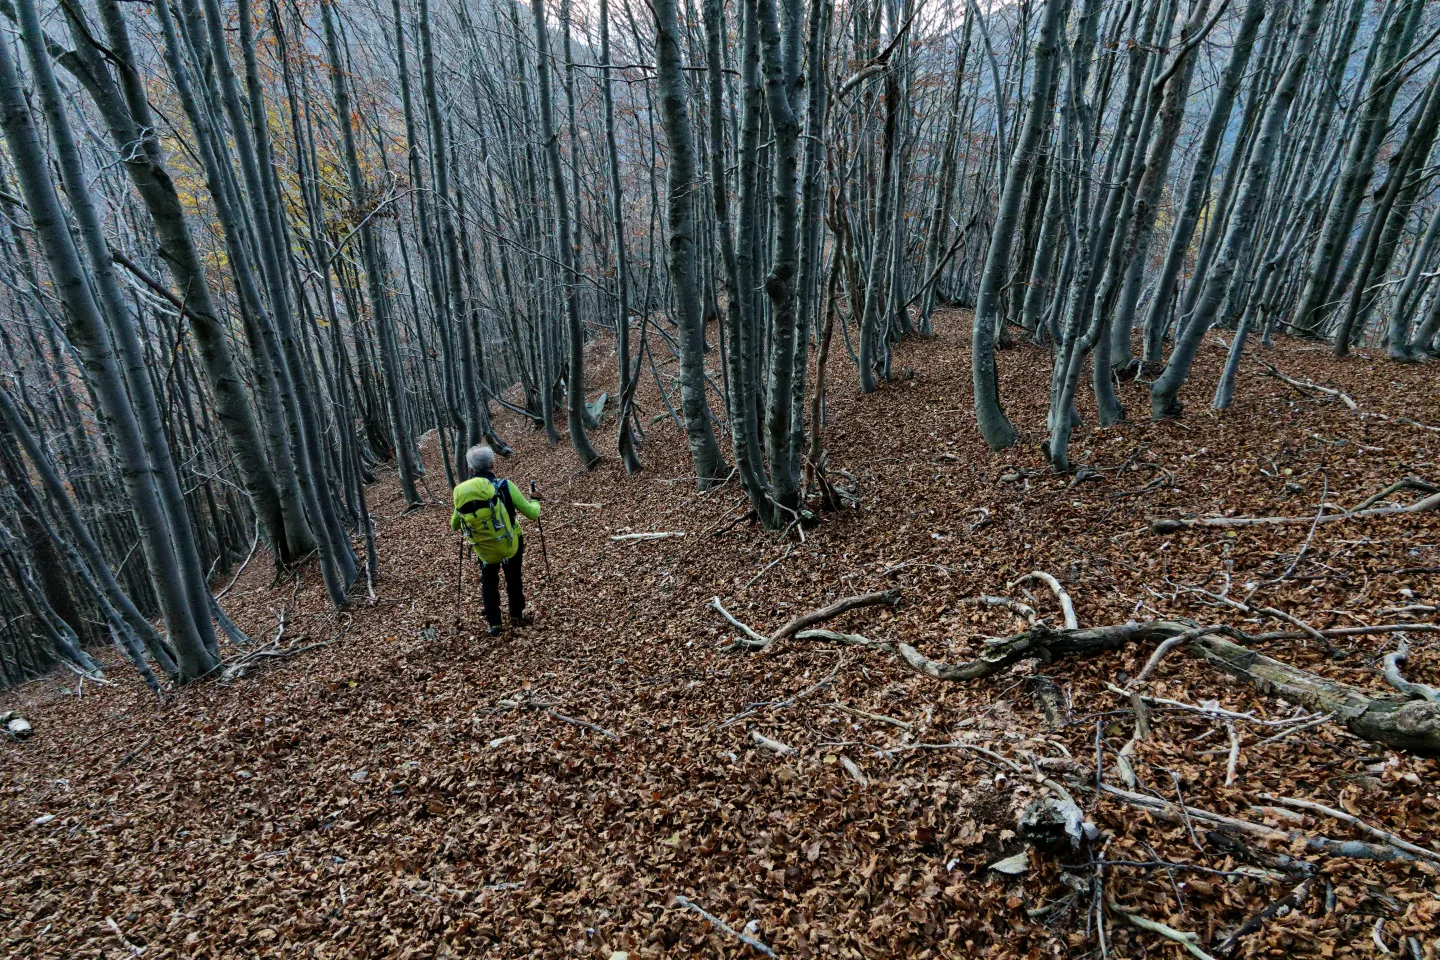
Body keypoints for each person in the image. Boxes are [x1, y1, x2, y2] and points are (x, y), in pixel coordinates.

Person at [450, 445, 541, 635]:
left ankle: (495, 624)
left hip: (484, 548)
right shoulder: (505, 486)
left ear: (472, 469)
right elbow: (532, 514)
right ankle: (516, 615)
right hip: (510, 542)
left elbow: (455, 525)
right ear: (493, 464)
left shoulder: (464, 494)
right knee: (513, 578)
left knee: (489, 582)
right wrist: (536, 500)